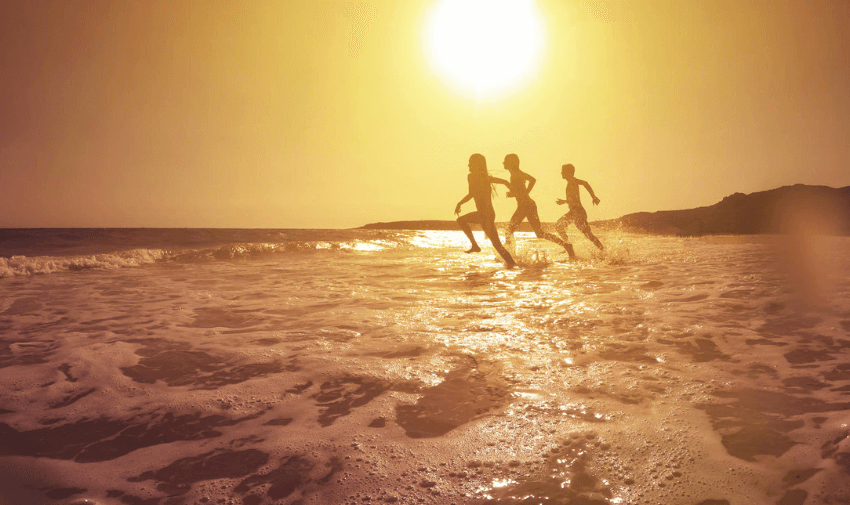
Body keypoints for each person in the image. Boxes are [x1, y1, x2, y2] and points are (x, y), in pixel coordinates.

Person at [502, 154, 576, 259]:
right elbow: (521, 190)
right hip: (527, 205)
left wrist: (525, 193)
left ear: (512, 163)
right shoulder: (515, 173)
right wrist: (514, 194)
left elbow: (533, 180)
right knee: (539, 233)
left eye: (505, 161)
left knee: (509, 230)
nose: (503, 163)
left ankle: (508, 254)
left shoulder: (517, 173)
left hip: (526, 206)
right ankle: (566, 245)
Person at [455, 154, 517, 267]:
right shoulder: (471, 177)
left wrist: (514, 190)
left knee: (460, 220)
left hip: (487, 214)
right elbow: (471, 194)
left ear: (477, 165)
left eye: (471, 163)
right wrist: (460, 203)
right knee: (497, 245)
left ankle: (475, 246)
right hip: (485, 214)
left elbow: (504, 182)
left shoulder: (483, 176)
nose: (468, 165)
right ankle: (512, 264)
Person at [555, 163, 604, 251]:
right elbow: (575, 199)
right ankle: (568, 245)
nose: (561, 173)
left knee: (559, 226)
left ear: (568, 172)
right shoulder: (570, 182)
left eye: (563, 171)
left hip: (577, 212)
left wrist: (593, 196)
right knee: (588, 235)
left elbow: (585, 183)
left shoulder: (573, 181)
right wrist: (565, 201)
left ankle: (568, 246)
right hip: (575, 212)